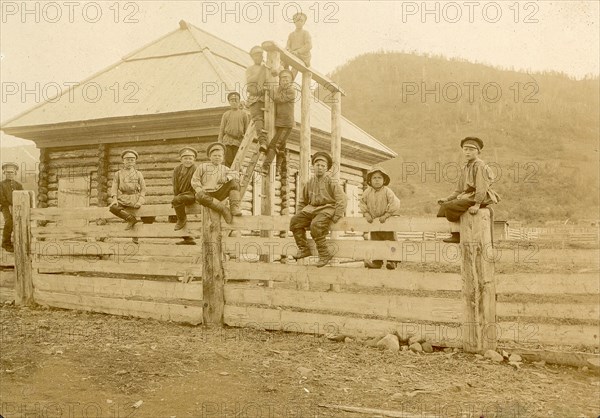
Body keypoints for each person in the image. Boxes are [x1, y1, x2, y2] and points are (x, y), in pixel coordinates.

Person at [437, 137, 501, 243]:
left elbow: (481, 187)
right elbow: (459, 189)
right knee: (444, 206)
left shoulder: (480, 166)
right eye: (465, 149)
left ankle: (458, 235)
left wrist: (477, 204)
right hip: (468, 196)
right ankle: (457, 233)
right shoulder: (465, 167)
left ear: (478, 151)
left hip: (479, 197)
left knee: (450, 207)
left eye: (471, 150)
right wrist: (447, 198)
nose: (467, 152)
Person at [290, 152, 346, 268]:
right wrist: (300, 215)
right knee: (295, 221)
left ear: (327, 168)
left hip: (327, 209)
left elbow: (342, 199)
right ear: (313, 167)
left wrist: (337, 215)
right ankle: (304, 248)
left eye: (323, 166)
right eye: (317, 165)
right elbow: (302, 201)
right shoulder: (309, 182)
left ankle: (324, 254)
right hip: (311, 209)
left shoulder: (332, 182)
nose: (320, 168)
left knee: (316, 225)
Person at [359, 167, 402, 270]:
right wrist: (366, 213)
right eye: (374, 178)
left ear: (384, 180)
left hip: (386, 222)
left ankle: (392, 261)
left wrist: (387, 215)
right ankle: (377, 262)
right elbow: (362, 203)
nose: (377, 180)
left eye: (379, 178)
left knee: (390, 241)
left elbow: (395, 203)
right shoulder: (367, 192)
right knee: (376, 243)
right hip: (374, 223)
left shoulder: (387, 191)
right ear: (370, 180)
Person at [191, 143, 242, 224]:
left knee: (234, 182)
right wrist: (199, 189)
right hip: (207, 194)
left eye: (219, 156)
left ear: (223, 158)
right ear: (210, 156)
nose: (217, 157)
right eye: (215, 155)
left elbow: (236, 174)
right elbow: (195, 180)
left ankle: (234, 207)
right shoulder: (203, 167)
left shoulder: (224, 168)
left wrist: (227, 178)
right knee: (198, 195)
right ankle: (224, 209)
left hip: (219, 193)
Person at [261, 69, 296, 175]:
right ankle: (277, 169)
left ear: (290, 81)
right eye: (283, 78)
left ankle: (265, 167)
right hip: (280, 122)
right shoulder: (280, 88)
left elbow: (278, 99)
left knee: (274, 144)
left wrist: (269, 90)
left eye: (287, 78)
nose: (285, 80)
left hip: (286, 123)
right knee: (281, 146)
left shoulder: (291, 91)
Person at [109, 150, 146, 231]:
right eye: (127, 160)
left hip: (135, 198)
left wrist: (140, 201)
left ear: (135, 162)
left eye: (132, 160)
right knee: (113, 208)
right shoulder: (118, 174)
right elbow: (114, 188)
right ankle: (130, 219)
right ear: (123, 161)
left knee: (144, 214)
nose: (130, 162)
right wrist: (115, 199)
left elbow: (143, 189)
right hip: (123, 198)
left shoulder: (138, 174)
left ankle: (136, 238)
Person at [172, 147, 198, 245]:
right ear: (181, 159)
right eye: (185, 158)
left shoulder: (196, 169)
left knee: (179, 211)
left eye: (190, 158)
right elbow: (175, 184)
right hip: (181, 196)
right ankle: (187, 238)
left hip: (193, 194)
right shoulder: (177, 169)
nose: (188, 161)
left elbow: (198, 184)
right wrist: (176, 197)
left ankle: (182, 219)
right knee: (172, 216)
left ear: (194, 159)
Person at [246, 46, 269, 153]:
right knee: (258, 119)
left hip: (265, 98)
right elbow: (250, 81)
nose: (258, 58)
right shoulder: (250, 69)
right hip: (254, 98)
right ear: (252, 57)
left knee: (268, 120)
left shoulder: (266, 68)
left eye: (260, 55)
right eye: (255, 56)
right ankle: (262, 142)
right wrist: (261, 71)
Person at [218, 92, 250, 168]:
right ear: (229, 102)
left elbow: (247, 130)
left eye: (236, 100)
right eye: (232, 100)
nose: (234, 102)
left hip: (238, 141)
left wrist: (245, 142)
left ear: (239, 101)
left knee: (237, 161)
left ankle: (235, 178)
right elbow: (222, 129)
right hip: (227, 141)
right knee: (228, 161)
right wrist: (220, 142)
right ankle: (229, 179)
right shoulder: (226, 114)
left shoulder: (244, 114)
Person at [0, 162, 23, 252]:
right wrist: (9, 205)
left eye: (11, 172)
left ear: (15, 173)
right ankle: (6, 243)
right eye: (8, 172)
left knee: (19, 222)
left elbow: (23, 195)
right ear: (4, 173)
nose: (10, 174)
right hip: (5, 207)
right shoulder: (1, 184)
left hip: (17, 207)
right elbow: (1, 198)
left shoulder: (18, 185)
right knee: (9, 222)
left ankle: (19, 242)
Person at [285, 12, 312, 80]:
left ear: (304, 22)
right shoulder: (291, 35)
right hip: (293, 54)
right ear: (294, 21)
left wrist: (298, 51)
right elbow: (287, 45)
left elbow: (309, 45)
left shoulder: (305, 33)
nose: (299, 22)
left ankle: (290, 80)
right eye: (297, 20)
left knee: (295, 64)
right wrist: (288, 49)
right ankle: (283, 76)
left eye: (301, 21)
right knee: (283, 59)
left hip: (303, 56)